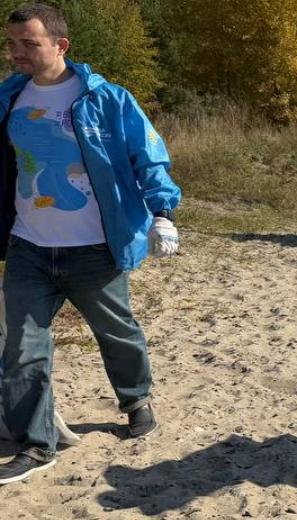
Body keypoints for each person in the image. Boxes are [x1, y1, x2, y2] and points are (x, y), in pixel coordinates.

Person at [0, 3, 181, 484]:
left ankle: (136, 397)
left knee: (116, 332)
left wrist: (162, 212)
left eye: (28, 44)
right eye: (11, 43)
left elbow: (148, 154)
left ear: (60, 46)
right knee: (21, 347)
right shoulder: (8, 97)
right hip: (28, 246)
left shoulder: (107, 99)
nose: (16, 53)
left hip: (94, 249)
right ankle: (37, 444)